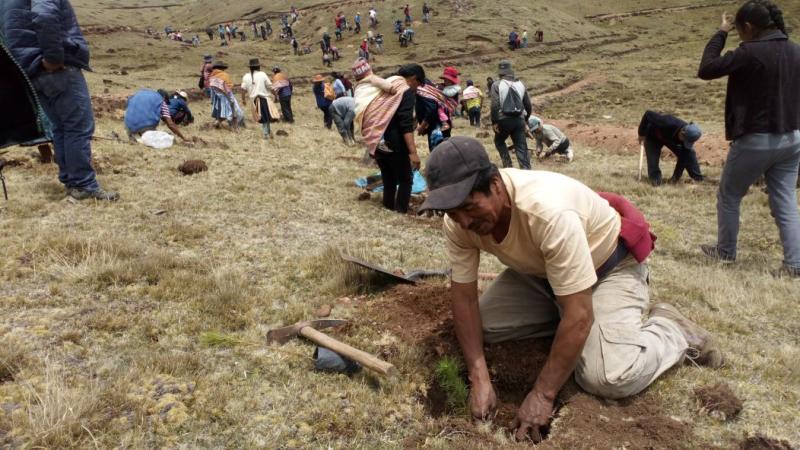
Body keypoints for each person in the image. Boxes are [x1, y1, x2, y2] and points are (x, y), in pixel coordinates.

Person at [417, 136, 723, 441]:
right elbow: (465, 298)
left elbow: (578, 313)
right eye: (455, 213)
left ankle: (673, 331)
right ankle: (572, 326)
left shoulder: (547, 212)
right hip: (543, 276)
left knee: (607, 377)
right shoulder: (457, 222)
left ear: (495, 185)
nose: (465, 221)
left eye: (470, 208)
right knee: (484, 328)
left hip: (608, 270)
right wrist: (479, 374)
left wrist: (543, 394)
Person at [697, 0, 800, 278]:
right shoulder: (795, 51)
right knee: (785, 199)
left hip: (756, 138)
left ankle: (726, 252)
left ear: (749, 27)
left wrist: (721, 33)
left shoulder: (748, 52)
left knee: (729, 195)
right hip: (792, 137)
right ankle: (794, 264)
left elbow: (706, 69)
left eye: (739, 29)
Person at [1, 0, 119, 201]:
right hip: (56, 69)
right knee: (78, 127)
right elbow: (45, 14)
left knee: (61, 127)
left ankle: (71, 180)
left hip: (31, 70)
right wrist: (54, 58)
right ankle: (83, 185)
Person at [354, 60, 418, 213]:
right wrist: (413, 152)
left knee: (388, 177)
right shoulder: (403, 90)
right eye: (419, 85)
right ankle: (401, 210)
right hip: (393, 142)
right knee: (405, 179)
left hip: (375, 140)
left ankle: (388, 206)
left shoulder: (374, 89)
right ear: (414, 79)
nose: (417, 89)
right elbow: (405, 123)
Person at [637, 111, 704, 185]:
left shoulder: (686, 139)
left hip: (670, 140)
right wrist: (641, 133)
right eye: (685, 141)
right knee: (653, 162)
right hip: (653, 137)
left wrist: (675, 178)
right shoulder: (668, 122)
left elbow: (682, 159)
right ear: (682, 132)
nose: (685, 143)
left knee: (689, 154)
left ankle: (697, 178)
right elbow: (648, 114)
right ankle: (655, 181)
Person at [399, 63, 454, 152]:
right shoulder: (427, 85)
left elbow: (432, 109)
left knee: (438, 152)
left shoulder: (422, 90)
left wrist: (422, 126)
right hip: (440, 124)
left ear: (413, 78)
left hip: (436, 127)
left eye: (406, 80)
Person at [490, 60, 532, 169]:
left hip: (504, 119)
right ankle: (526, 171)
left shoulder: (496, 84)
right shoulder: (521, 84)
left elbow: (495, 105)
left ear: (500, 73)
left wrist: (494, 121)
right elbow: (528, 105)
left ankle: (508, 166)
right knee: (521, 146)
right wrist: (525, 120)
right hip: (519, 120)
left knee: (499, 141)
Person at [124, 89, 191, 143]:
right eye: (166, 102)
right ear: (164, 98)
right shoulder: (161, 101)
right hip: (144, 127)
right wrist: (183, 138)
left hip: (128, 127)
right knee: (170, 140)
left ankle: (135, 137)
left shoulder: (143, 93)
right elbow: (170, 124)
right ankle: (142, 137)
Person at [241, 58, 275, 139]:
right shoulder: (262, 74)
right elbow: (270, 86)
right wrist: (276, 95)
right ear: (258, 67)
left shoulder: (246, 76)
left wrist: (243, 100)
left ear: (250, 67)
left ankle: (268, 132)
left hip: (254, 100)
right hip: (264, 99)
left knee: (264, 117)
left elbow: (243, 90)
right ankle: (265, 134)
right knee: (265, 117)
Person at [208, 61, 243, 130]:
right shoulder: (225, 75)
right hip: (225, 98)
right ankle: (233, 128)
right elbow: (228, 88)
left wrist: (212, 100)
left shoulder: (212, 77)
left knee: (219, 113)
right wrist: (231, 99)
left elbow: (211, 90)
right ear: (222, 68)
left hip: (216, 99)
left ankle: (218, 126)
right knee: (231, 113)